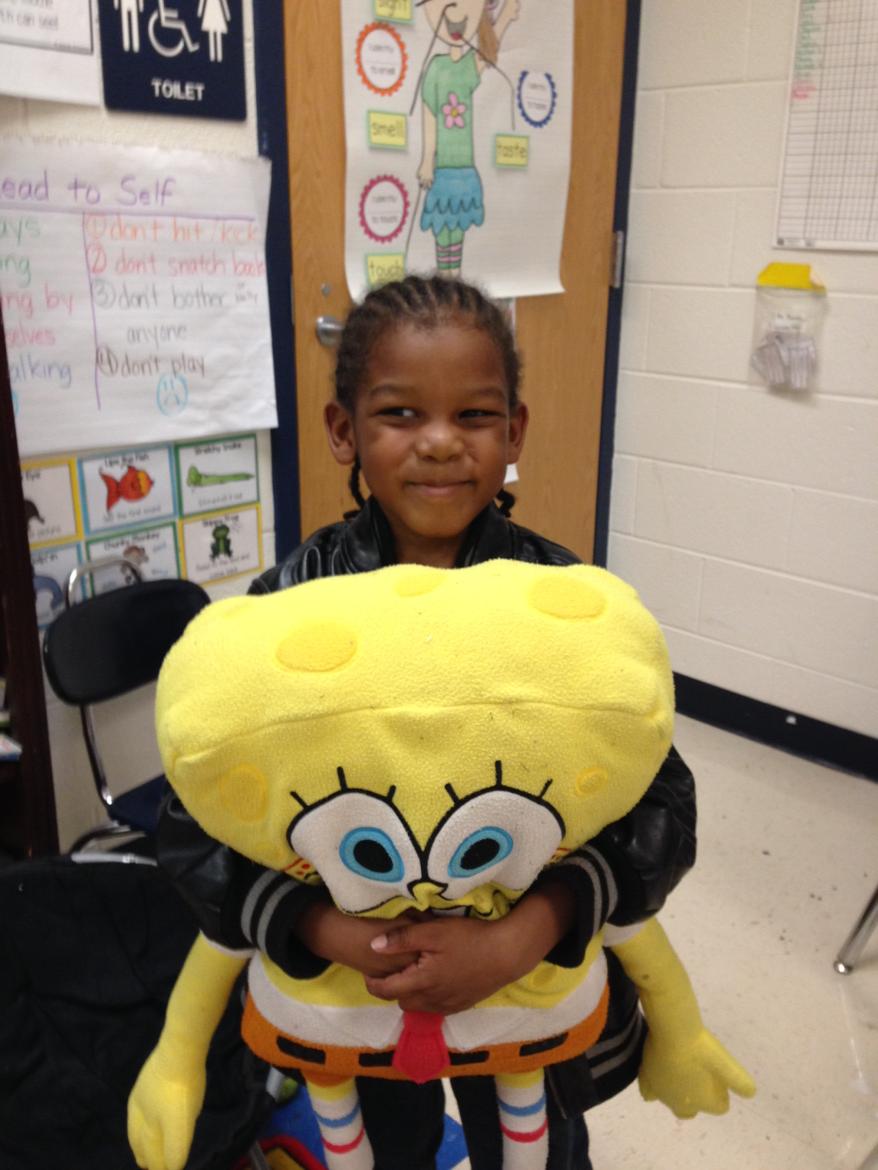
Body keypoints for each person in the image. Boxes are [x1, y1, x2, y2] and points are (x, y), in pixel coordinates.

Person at [158, 273, 696, 1170]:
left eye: (476, 416)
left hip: (523, 987)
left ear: (514, 431)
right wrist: (327, 931)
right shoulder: (290, 609)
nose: (441, 444)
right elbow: (197, 819)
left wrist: (531, 929)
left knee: (539, 1149)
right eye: (402, 414)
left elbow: (660, 802)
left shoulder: (562, 605)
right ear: (345, 432)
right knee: (389, 1147)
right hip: (358, 988)